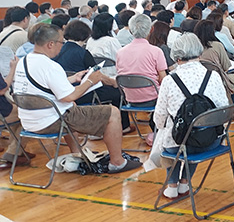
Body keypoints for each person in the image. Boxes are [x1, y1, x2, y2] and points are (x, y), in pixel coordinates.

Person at [13, 24, 141, 173]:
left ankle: (77, 154)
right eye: (61, 42)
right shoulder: (50, 66)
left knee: (71, 106)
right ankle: (117, 162)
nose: (62, 46)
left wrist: (73, 78)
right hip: (52, 121)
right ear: (50, 44)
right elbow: (70, 96)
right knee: (112, 112)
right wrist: (90, 81)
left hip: (29, 121)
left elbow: (44, 86)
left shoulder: (24, 61)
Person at [150, 33, 229, 199]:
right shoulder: (213, 76)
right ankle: (185, 183)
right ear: (200, 53)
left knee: (172, 133)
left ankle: (172, 185)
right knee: (196, 131)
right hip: (210, 142)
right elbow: (224, 111)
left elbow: (159, 118)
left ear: (177, 57)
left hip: (177, 144)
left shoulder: (169, 81)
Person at [117, 15, 169, 143]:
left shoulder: (120, 52)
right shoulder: (155, 51)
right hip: (153, 98)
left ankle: (156, 133)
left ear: (130, 30)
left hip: (130, 99)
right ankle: (161, 133)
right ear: (151, 30)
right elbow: (164, 79)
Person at [0, 55, 36, 170]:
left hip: (5, 108)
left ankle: (18, 149)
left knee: (18, 109)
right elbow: (2, 89)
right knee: (31, 114)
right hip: (2, 111)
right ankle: (13, 152)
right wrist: (13, 68)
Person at [86, 13, 122, 77]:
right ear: (109, 26)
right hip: (111, 75)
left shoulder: (90, 40)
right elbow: (121, 59)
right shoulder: (111, 41)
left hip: (94, 74)